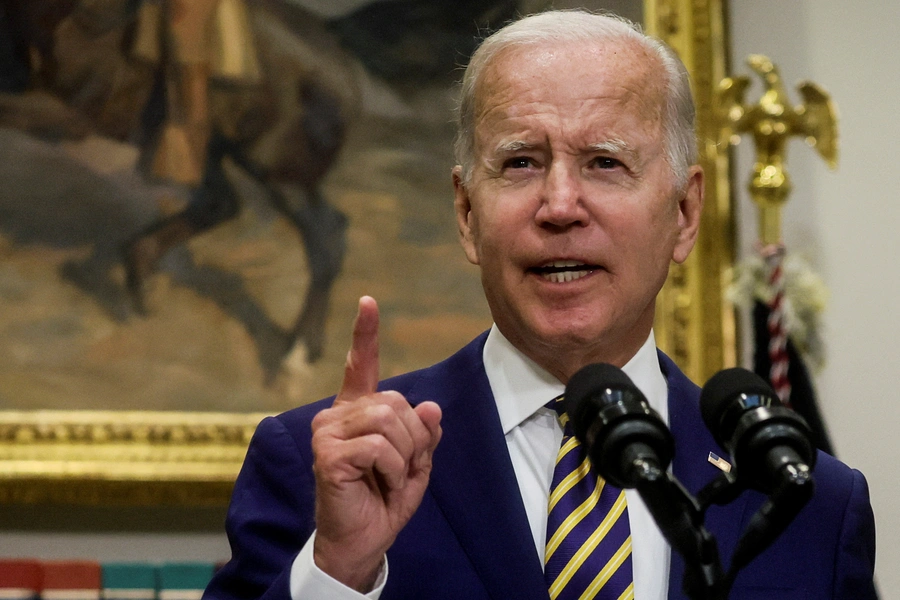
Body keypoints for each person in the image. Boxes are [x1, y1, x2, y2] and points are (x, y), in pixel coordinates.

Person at [203, 10, 876, 600]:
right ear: (467, 213)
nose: (559, 206)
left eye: (605, 163)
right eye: (521, 163)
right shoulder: (322, 464)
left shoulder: (808, 498)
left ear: (686, 212)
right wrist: (338, 571)